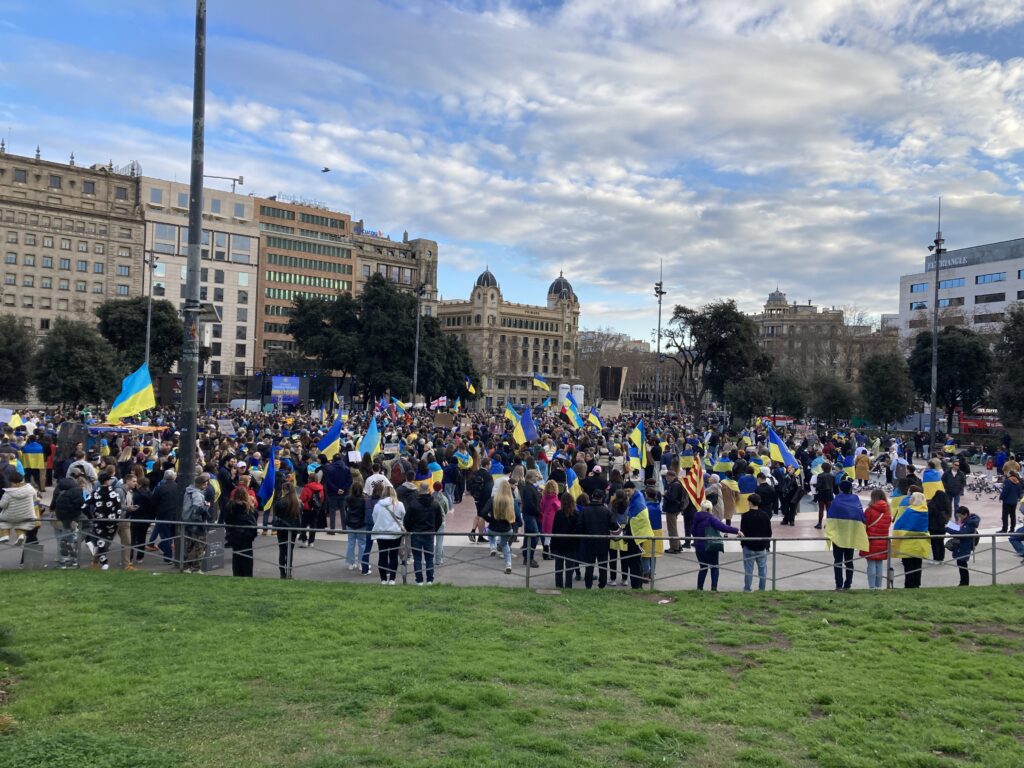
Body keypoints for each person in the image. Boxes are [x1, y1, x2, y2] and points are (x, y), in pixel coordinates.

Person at [825, 480, 866, 591]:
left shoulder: (836, 501)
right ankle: (848, 584)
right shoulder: (855, 499)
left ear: (840, 489)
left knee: (838, 561)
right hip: (850, 535)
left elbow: (830, 516)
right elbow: (861, 515)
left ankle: (838, 585)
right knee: (849, 561)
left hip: (838, 536)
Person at [693, 499, 741, 591]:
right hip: (710, 546)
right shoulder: (711, 518)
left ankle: (699, 588)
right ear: (710, 509)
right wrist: (737, 531)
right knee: (714, 567)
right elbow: (723, 528)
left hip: (699, 546)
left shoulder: (696, 517)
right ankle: (713, 589)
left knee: (703, 568)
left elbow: (693, 531)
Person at [576, 488, 620, 589]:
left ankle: (588, 586)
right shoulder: (606, 511)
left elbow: (579, 526)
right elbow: (614, 526)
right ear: (602, 498)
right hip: (603, 542)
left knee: (589, 566)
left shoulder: (585, 510)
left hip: (589, 541)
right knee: (603, 566)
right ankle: (602, 585)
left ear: (592, 497)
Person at [404, 481, 444, 585]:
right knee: (429, 558)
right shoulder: (435, 504)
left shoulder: (413, 504)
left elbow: (407, 520)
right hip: (429, 533)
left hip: (416, 533)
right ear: (428, 490)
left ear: (419, 490)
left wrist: (410, 529)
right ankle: (430, 579)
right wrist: (433, 529)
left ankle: (419, 580)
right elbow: (439, 520)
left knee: (417, 558)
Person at [372, 485, 405, 584]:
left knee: (382, 556)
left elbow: (374, 518)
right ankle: (392, 579)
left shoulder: (378, 505)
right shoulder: (399, 504)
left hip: (381, 533)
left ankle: (383, 579)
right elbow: (403, 517)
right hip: (395, 533)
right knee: (393, 556)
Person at [860, 489, 892, 590]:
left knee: (871, 564)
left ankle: (872, 586)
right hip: (883, 539)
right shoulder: (888, 510)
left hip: (871, 539)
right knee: (879, 564)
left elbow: (865, 524)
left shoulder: (870, 510)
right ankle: (879, 586)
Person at [740, 492, 771, 592]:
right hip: (761, 547)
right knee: (762, 570)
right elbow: (769, 532)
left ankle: (747, 588)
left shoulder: (745, 516)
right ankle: (762, 589)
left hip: (748, 546)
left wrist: (743, 544)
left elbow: (742, 532)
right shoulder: (765, 515)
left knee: (748, 570)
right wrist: (767, 545)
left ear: (749, 502)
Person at [182, 473, 213, 573]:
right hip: (197, 523)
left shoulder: (188, 491)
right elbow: (197, 509)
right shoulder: (197, 494)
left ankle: (186, 567)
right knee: (200, 546)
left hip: (188, 522)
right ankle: (196, 568)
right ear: (201, 484)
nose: (206, 486)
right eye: (205, 484)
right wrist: (207, 506)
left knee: (188, 545)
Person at [224, 486, 258, 577]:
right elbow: (255, 518)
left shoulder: (230, 506)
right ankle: (247, 575)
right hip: (247, 535)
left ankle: (237, 575)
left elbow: (227, 520)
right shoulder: (249, 507)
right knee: (247, 558)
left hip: (235, 534)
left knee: (236, 557)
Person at [484, 480, 516, 574]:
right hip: (507, 529)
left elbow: (483, 512)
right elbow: (517, 517)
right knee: (505, 544)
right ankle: (508, 564)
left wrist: (490, 520)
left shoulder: (493, 499)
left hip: (493, 527)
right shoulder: (511, 501)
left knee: (489, 534)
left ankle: (493, 546)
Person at [0, 471, 40, 547]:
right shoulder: (30, 489)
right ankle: (20, 536)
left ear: (11, 482)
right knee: (21, 524)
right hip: (27, 514)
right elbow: (35, 498)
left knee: (3, 521)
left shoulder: (8, 493)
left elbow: (2, 505)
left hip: (11, 515)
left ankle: (5, 535)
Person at [272, 481, 302, 579]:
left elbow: (276, 511)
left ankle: (282, 573)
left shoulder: (280, 502)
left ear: (285, 490)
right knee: (290, 550)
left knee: (282, 549)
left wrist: (280, 498)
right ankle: (289, 572)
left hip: (282, 528)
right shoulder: (298, 503)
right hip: (293, 528)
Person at [947, 505, 980, 586]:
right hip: (961, 546)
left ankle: (964, 583)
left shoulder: (969, 523)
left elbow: (961, 532)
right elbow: (959, 529)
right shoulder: (965, 521)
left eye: (960, 516)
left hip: (964, 546)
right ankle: (963, 582)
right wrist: (950, 525)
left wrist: (947, 529)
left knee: (962, 565)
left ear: (965, 514)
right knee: (961, 564)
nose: (959, 518)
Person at [320, 453, 352, 534]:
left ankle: (332, 530)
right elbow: (349, 481)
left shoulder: (330, 469)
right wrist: (343, 489)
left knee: (332, 511)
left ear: (333, 459)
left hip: (332, 493)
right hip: (344, 493)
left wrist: (336, 489)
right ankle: (344, 529)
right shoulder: (347, 468)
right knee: (343, 511)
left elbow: (328, 481)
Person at [550, 490, 577, 588]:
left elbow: (554, 530)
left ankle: (559, 586)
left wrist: (552, 546)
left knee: (558, 567)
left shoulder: (558, 514)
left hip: (559, 543)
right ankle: (568, 586)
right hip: (571, 544)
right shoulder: (576, 514)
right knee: (570, 568)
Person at [518, 469, 542, 567]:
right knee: (534, 536)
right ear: (531, 477)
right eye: (536, 476)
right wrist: (538, 512)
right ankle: (529, 557)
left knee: (529, 536)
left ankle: (527, 557)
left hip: (531, 514)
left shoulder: (530, 487)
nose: (538, 477)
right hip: (530, 514)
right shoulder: (528, 488)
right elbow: (529, 503)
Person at [344, 480, 367, 570]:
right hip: (361, 523)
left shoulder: (348, 498)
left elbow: (345, 509)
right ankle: (361, 563)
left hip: (350, 522)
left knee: (351, 543)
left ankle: (350, 563)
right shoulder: (364, 500)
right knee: (362, 544)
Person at [298, 475, 326, 548]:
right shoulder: (321, 488)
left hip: (307, 509)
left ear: (310, 479)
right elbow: (322, 499)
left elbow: (303, 498)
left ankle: (304, 540)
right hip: (316, 509)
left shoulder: (307, 487)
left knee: (303, 525)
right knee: (313, 525)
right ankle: (311, 541)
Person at [662, 469, 685, 553]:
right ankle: (678, 546)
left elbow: (672, 498)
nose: (666, 479)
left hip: (672, 509)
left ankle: (674, 547)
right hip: (674, 508)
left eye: (667, 477)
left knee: (672, 529)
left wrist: (665, 495)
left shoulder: (675, 485)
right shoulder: (677, 484)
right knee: (673, 528)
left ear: (672, 476)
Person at [927, 489, 952, 562]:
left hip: (932, 527)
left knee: (934, 544)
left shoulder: (932, 504)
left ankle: (936, 558)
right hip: (942, 527)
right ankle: (941, 558)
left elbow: (928, 515)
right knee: (941, 543)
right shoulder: (947, 505)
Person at [539, 479, 560, 561]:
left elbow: (541, 507)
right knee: (551, 538)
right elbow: (558, 508)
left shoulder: (544, 497)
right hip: (552, 519)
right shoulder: (554, 497)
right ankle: (549, 554)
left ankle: (545, 553)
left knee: (547, 538)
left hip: (545, 518)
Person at [813, 463, 834, 529]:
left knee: (821, 509)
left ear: (822, 468)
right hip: (829, 493)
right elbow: (833, 485)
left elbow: (818, 485)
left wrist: (814, 485)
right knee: (829, 510)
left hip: (821, 494)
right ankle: (828, 524)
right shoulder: (832, 475)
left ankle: (819, 524)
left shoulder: (820, 475)